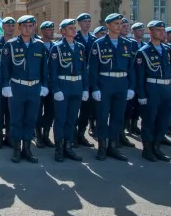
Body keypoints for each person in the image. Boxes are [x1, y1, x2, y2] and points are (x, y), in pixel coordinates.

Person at [1, 15, 49, 163]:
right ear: (19, 27)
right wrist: (5, 85)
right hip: (17, 87)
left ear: (34, 27)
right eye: (25, 26)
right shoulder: (11, 45)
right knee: (16, 120)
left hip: (34, 88)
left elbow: (44, 68)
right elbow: (5, 68)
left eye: (31, 26)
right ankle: (16, 149)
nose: (28, 28)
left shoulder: (39, 45)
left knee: (30, 119)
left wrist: (45, 85)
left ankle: (27, 149)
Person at [88, 13, 136, 161]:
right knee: (102, 117)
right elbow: (93, 68)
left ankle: (113, 146)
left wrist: (131, 87)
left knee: (118, 117)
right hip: (105, 83)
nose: (119, 26)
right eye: (116, 23)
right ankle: (102, 147)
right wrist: (95, 88)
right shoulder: (99, 44)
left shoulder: (127, 44)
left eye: (120, 23)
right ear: (108, 25)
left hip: (121, 84)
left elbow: (131, 68)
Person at [135, 20, 171, 162]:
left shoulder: (167, 50)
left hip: (167, 89)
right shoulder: (143, 52)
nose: (162, 32)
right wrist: (142, 95)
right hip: (152, 89)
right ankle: (147, 149)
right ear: (150, 32)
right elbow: (139, 76)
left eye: (163, 30)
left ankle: (157, 147)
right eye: (158, 30)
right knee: (149, 120)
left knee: (164, 120)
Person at [49, 19, 88, 162]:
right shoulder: (57, 48)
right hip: (63, 86)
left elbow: (84, 70)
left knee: (72, 119)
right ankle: (59, 148)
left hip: (77, 86)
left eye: (74, 28)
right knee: (60, 119)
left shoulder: (80, 47)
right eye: (70, 28)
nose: (74, 30)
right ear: (63, 31)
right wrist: (56, 89)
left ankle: (68, 146)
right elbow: (52, 71)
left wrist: (85, 88)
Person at [0, 16, 16, 148]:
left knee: (12, 111)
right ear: (3, 27)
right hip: (0, 83)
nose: (10, 28)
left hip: (14, 83)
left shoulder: (17, 43)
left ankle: (10, 136)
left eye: (12, 26)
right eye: (8, 26)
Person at [73, 13, 97, 147]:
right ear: (79, 23)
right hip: (78, 78)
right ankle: (73, 135)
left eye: (89, 21)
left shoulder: (94, 39)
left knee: (86, 110)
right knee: (74, 109)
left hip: (90, 79)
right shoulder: (75, 38)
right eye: (85, 21)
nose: (88, 23)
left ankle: (81, 134)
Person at [36, 21, 55, 149]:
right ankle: (38, 136)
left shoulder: (55, 46)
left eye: (53, 29)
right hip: (39, 83)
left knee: (51, 111)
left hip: (52, 84)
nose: (52, 32)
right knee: (37, 111)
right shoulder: (37, 45)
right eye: (49, 30)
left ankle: (46, 135)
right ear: (42, 31)